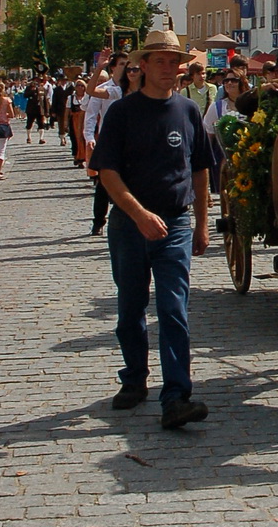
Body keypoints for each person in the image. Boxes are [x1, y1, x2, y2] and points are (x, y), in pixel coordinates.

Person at [89, 28, 212, 429]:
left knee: (173, 309)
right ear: (142, 66)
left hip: (174, 223)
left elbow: (200, 171)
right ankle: (135, 378)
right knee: (130, 308)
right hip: (129, 224)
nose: (167, 67)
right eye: (158, 60)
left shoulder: (188, 111)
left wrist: (201, 223)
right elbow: (107, 174)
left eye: (173, 61)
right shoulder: (123, 113)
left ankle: (176, 396)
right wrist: (138, 214)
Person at [84, 53, 128, 235]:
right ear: (113, 68)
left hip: (131, 142)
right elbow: (91, 115)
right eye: (123, 64)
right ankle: (99, 220)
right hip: (109, 141)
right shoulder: (107, 89)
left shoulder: (136, 88)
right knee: (104, 184)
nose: (126, 68)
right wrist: (89, 137)